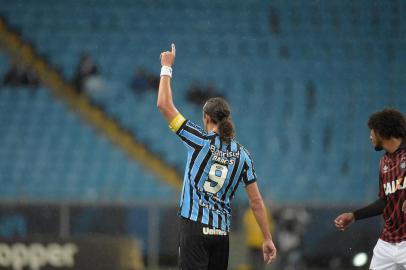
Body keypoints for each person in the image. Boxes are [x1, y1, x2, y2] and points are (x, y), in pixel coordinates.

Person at [157, 44, 277, 270]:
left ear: (206, 118)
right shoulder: (243, 155)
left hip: (194, 229)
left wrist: (166, 68)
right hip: (221, 234)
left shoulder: (199, 140)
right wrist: (267, 238)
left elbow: (164, 104)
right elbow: (256, 201)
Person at [334, 108, 406, 270]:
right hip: (387, 243)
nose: (370, 136)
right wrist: (354, 216)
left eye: (372, 131)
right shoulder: (385, 162)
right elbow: (385, 201)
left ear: (382, 131)